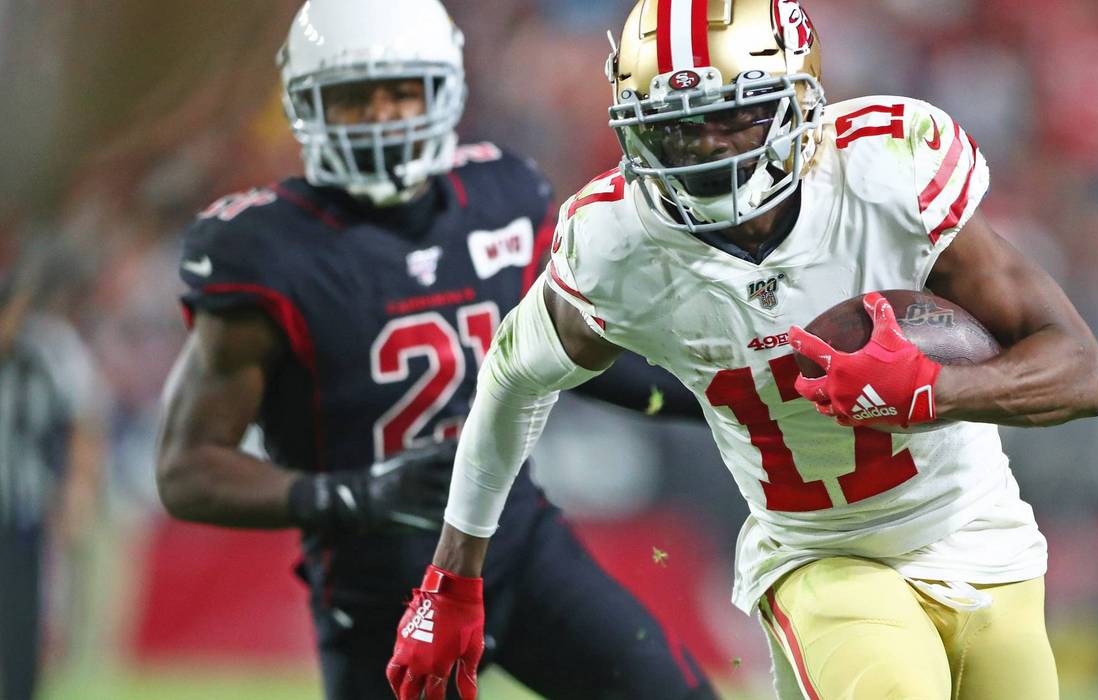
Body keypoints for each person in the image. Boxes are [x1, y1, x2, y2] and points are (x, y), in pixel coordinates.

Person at [386, 1, 1098, 699]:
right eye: (677, 126)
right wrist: (451, 578)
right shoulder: (617, 244)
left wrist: (932, 389)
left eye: (735, 115)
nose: (708, 147)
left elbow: (1080, 370)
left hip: (978, 531)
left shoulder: (886, 170)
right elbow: (511, 379)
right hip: (820, 553)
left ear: (799, 100)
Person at [154, 1, 716, 699]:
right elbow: (186, 470)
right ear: (307, 103)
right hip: (382, 587)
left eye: (402, 90)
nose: (384, 114)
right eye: (356, 97)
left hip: (519, 546)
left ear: (444, 89)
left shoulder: (501, 195)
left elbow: (577, 355)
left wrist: (721, 398)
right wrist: (358, 495)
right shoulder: (265, 249)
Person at [0, 242, 106, 700]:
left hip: (22, 511)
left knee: (23, 620)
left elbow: (82, 424)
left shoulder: (45, 352)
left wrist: (76, 492)